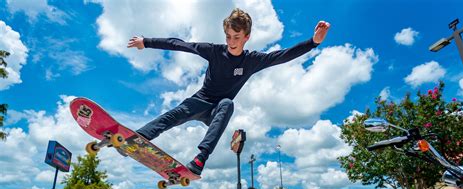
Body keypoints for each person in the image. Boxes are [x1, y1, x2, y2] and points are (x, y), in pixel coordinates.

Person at [127, 8, 330, 176]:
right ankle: (138, 137)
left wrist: (313, 43)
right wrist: (146, 41)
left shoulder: (252, 60)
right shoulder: (214, 51)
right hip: (200, 100)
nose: (231, 42)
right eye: (228, 37)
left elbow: (282, 56)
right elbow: (179, 44)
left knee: (227, 103)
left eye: (236, 37)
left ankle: (200, 159)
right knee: (175, 114)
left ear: (246, 37)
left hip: (217, 111)